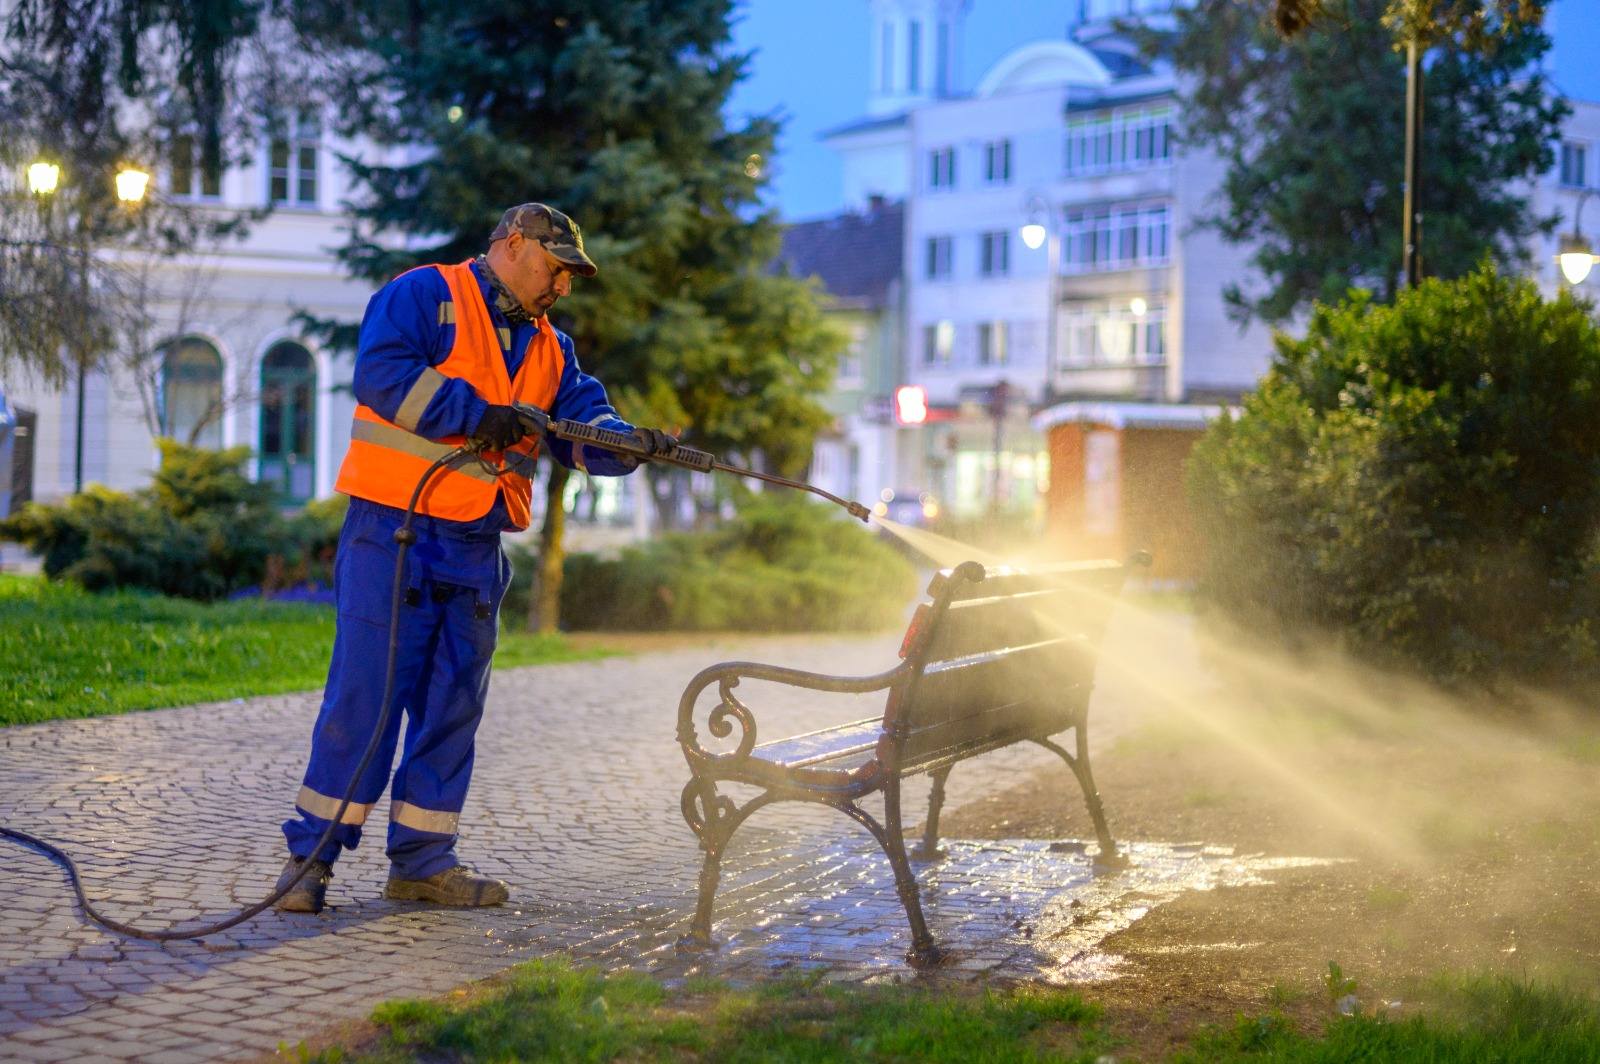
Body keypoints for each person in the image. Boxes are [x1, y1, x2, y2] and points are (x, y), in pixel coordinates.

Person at [275, 203, 673, 913]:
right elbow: (383, 374)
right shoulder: (425, 295)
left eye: (571, 277)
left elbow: (579, 426)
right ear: (513, 245)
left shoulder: (553, 349)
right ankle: (310, 864)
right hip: (393, 533)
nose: (564, 287)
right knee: (366, 698)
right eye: (558, 270)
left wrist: (627, 445)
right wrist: (476, 413)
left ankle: (423, 863)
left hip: (474, 546)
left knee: (452, 707)